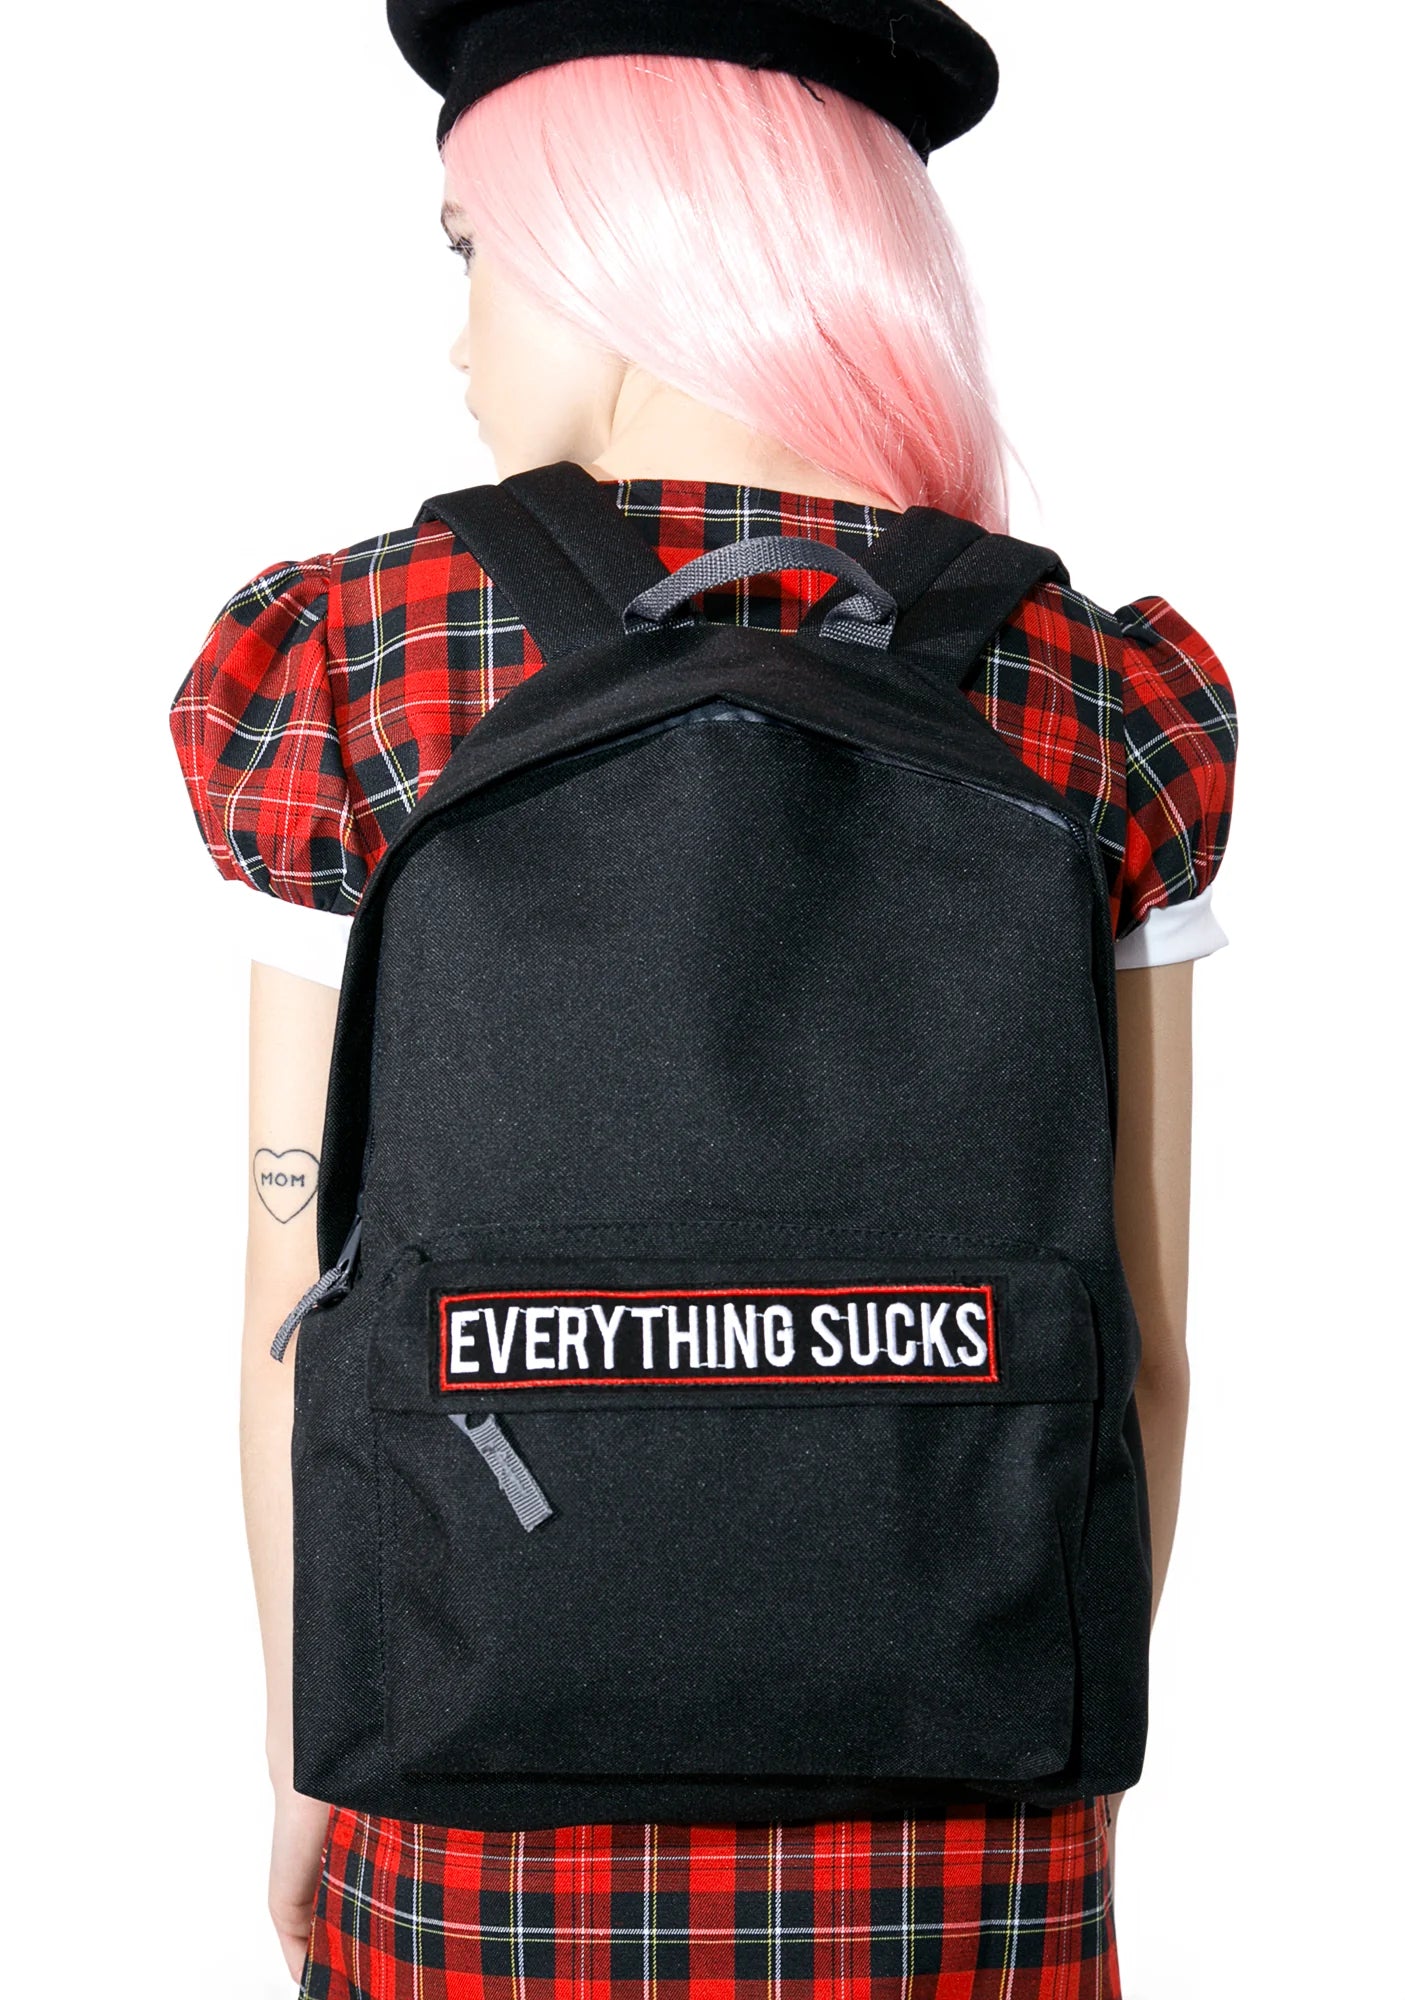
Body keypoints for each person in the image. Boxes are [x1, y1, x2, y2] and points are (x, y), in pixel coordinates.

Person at [168, 25, 1237, 2000]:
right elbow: (1142, 1352)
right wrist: (1035, 1745)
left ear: (621, 237)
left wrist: (304, 1766)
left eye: (471, 246)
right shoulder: (1092, 691)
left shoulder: (361, 659)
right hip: (968, 1837)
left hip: (470, 1807)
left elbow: (289, 1315)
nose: (458, 333)